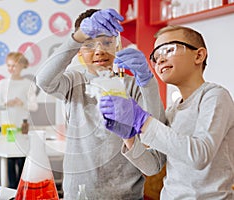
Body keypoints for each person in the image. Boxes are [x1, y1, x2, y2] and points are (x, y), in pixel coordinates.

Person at [36, 8, 165, 200]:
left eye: (106, 42)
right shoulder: (74, 82)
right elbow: (43, 80)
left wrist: (148, 82)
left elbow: (156, 144)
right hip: (79, 194)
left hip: (126, 196)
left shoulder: (133, 86)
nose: (99, 51)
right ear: (79, 50)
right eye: (88, 44)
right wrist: (77, 36)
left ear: (117, 44)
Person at [99, 25, 234, 199]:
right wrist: (129, 137)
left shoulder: (214, 96)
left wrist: (142, 121)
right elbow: (153, 166)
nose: (160, 59)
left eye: (169, 50)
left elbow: (200, 156)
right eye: (155, 56)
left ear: (199, 55)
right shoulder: (173, 109)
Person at [0, 52, 38, 189]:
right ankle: (11, 191)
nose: (11, 69)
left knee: (22, 160)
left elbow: (34, 106)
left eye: (14, 66)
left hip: (22, 129)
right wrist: (8, 103)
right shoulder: (3, 84)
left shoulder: (28, 84)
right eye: (8, 66)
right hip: (6, 128)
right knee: (9, 160)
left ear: (22, 66)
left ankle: (22, 191)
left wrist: (22, 104)